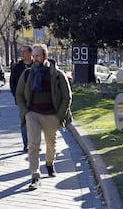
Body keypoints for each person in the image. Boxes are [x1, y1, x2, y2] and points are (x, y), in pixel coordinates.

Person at [16, 44, 72, 190]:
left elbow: (67, 96)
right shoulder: (28, 74)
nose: (34, 59)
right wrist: (26, 112)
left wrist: (59, 115)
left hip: (51, 115)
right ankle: (35, 175)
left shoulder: (57, 74)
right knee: (33, 145)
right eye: (33, 56)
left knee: (51, 144)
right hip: (33, 114)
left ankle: (49, 163)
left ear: (45, 57)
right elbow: (19, 95)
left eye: (38, 56)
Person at [10, 45, 33, 152]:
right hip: (22, 100)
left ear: (30, 53)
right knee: (24, 121)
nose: (22, 54)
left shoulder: (36, 65)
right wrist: (16, 95)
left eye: (24, 52)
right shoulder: (17, 67)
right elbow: (12, 82)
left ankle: (34, 142)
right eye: (22, 52)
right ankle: (26, 144)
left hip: (36, 99)